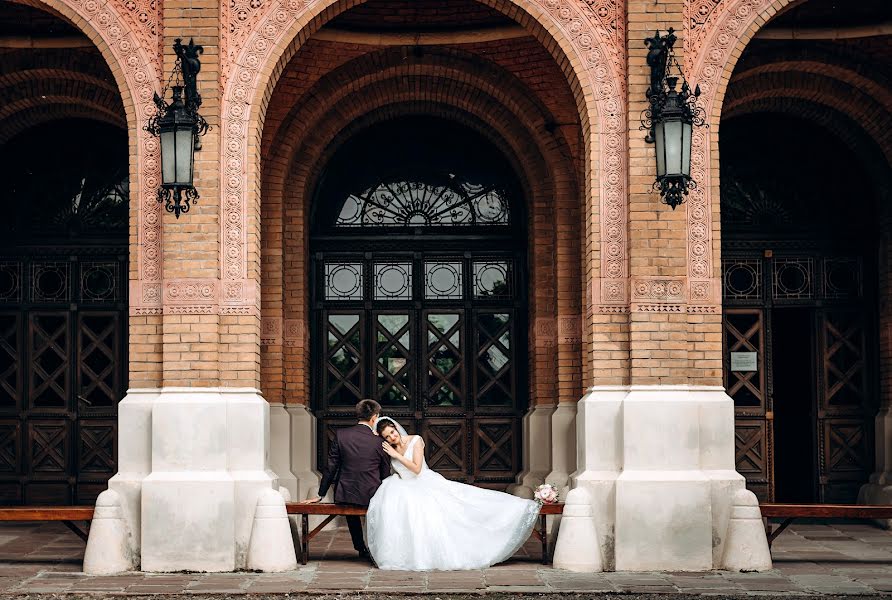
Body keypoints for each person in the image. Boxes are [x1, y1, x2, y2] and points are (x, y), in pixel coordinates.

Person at [366, 417, 540, 571]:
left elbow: (417, 469)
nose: (391, 438)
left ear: (396, 428)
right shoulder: (388, 448)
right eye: (387, 437)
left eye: (392, 433)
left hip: (423, 483)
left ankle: (514, 509)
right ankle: (411, 555)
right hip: (403, 487)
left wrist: (397, 454)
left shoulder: (415, 440)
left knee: (461, 506)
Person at [305, 399, 390, 561]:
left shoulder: (342, 435)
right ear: (374, 418)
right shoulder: (379, 441)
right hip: (371, 493)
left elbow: (331, 467)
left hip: (346, 493)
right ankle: (375, 548)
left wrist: (321, 494)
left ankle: (360, 547)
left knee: (351, 508)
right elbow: (384, 472)